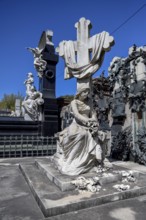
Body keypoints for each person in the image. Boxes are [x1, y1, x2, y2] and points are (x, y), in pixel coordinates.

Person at [54, 86, 106, 176]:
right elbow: (77, 115)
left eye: (87, 92)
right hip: (77, 123)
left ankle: (86, 161)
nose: (86, 94)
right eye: (84, 92)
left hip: (89, 124)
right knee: (77, 135)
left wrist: (94, 122)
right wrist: (88, 121)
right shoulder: (74, 102)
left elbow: (93, 114)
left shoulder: (89, 102)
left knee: (90, 135)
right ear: (79, 93)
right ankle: (70, 159)